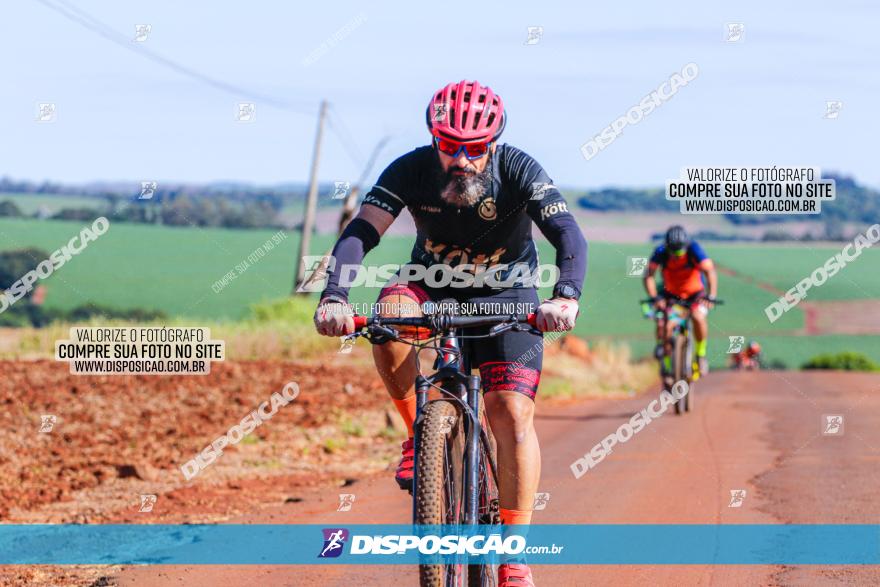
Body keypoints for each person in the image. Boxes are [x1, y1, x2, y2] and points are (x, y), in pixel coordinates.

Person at [313, 80, 587, 586]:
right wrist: (334, 296)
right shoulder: (410, 169)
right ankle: (420, 430)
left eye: (474, 149)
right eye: (448, 146)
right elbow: (361, 232)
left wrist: (565, 296)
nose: (460, 159)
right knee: (388, 315)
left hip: (508, 296)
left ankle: (514, 556)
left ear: (494, 144)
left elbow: (568, 233)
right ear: (433, 138)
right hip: (430, 286)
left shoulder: (520, 170)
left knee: (510, 413)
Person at [642, 225, 717, 377]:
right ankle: (667, 364)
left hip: (695, 294)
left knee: (698, 317)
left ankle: (701, 355)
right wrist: (655, 297)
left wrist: (711, 296)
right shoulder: (660, 252)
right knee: (665, 324)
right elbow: (648, 275)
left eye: (680, 252)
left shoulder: (694, 249)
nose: (677, 256)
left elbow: (709, 271)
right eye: (674, 252)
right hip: (671, 295)